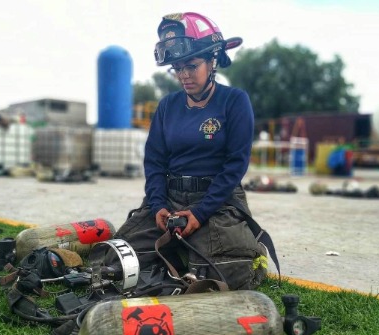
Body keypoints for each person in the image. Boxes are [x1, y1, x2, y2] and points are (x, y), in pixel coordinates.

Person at [114, 12, 269, 291]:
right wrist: (158, 205)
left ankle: (230, 248)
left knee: (224, 275)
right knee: (116, 259)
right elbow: (155, 162)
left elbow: (235, 165)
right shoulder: (167, 106)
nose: (183, 75)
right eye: (177, 68)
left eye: (191, 66)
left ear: (212, 61)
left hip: (216, 200)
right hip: (169, 197)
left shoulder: (235, 101)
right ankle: (179, 248)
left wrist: (199, 212)